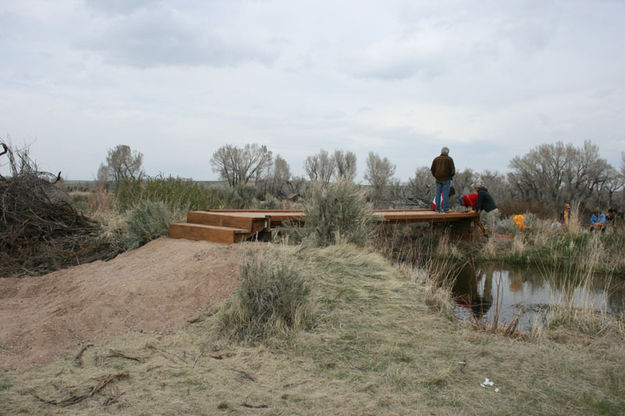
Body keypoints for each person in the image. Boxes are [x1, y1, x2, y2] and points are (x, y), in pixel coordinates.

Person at [430, 147, 455, 213]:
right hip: (447, 179)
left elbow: (432, 169)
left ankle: (437, 209)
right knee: (445, 195)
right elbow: (453, 171)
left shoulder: (436, 159)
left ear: (441, 152)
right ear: (448, 152)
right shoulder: (449, 159)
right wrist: (450, 176)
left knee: (438, 194)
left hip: (438, 179)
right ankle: (445, 209)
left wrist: (436, 176)